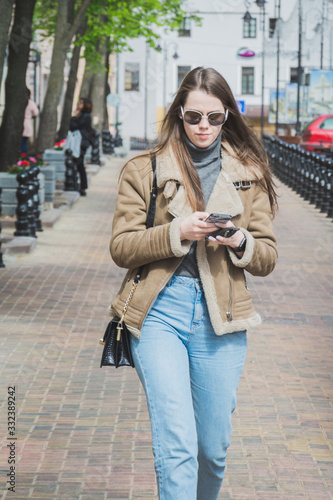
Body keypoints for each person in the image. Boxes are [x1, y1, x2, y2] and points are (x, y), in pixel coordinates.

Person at [109, 67, 278, 500]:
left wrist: (241, 240)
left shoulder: (250, 173)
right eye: (193, 117)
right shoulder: (144, 170)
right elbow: (122, 248)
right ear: (178, 115)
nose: (204, 127)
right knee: (177, 442)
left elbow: (267, 257)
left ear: (229, 116)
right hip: (158, 313)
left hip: (220, 317)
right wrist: (177, 232)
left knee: (212, 448)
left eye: (215, 118)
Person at [69, 97, 93, 196]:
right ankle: (80, 186)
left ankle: (82, 187)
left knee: (79, 163)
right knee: (79, 163)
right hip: (81, 142)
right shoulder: (84, 115)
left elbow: (74, 126)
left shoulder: (85, 116)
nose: (78, 104)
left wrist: (74, 116)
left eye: (81, 103)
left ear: (85, 105)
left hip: (81, 143)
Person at [22, 89, 39, 154]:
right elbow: (36, 113)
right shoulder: (30, 103)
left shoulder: (18, 102)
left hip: (18, 125)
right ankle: (23, 157)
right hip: (27, 123)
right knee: (24, 143)